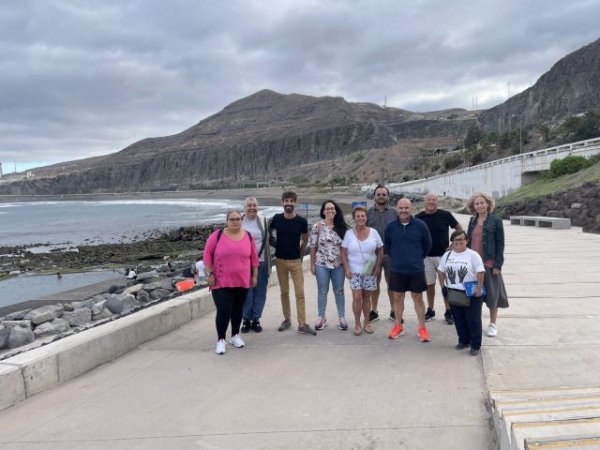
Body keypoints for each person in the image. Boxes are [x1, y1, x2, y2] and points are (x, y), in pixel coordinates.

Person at [203, 210, 259, 355]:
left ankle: (235, 336)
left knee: (238, 309)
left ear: (241, 220)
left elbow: (254, 258)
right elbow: (207, 255)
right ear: (227, 221)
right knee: (223, 310)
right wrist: (209, 274)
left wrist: (254, 276)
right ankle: (221, 340)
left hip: (242, 280)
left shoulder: (247, 236)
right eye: (232, 219)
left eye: (238, 219)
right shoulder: (217, 235)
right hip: (221, 280)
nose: (235, 222)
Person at [268, 191, 316, 336]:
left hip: (295, 261)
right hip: (280, 261)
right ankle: (287, 319)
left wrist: (300, 253)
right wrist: (276, 244)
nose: (288, 203)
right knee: (284, 292)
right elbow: (269, 232)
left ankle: (302, 324)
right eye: (286, 201)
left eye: (291, 201)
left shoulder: (301, 221)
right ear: (282, 202)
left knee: (300, 293)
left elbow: (306, 239)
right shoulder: (276, 218)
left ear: (295, 203)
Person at [385, 198, 432, 342]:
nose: (403, 210)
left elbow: (427, 245)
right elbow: (388, 246)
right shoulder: (391, 227)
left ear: (411, 208)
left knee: (418, 298)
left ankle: (422, 328)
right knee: (397, 297)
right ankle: (398, 326)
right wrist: (399, 259)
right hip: (397, 269)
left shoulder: (421, 225)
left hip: (416, 269)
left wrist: (416, 258)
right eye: (401, 208)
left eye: (406, 208)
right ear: (396, 209)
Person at [466, 192, 509, 338]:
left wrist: (498, 264)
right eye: (476, 204)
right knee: (474, 296)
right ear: (473, 206)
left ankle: (492, 324)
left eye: (482, 203)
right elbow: (467, 240)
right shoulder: (472, 221)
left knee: (492, 296)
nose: (479, 206)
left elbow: (500, 242)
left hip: (489, 264)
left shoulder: (496, 221)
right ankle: (475, 323)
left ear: (488, 204)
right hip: (473, 266)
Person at [415, 193, 463, 324]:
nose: (431, 202)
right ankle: (430, 310)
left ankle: (449, 311)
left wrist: (453, 244)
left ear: (437, 202)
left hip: (444, 256)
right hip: (426, 257)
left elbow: (459, 229)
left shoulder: (446, 215)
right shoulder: (418, 218)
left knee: (446, 285)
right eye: (428, 200)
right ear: (424, 202)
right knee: (430, 285)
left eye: (434, 200)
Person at [437, 230, 485, 356]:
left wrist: (479, 289)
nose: (459, 241)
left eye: (461, 239)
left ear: (467, 240)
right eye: (456, 239)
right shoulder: (447, 255)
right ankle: (464, 340)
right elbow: (441, 271)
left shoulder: (473, 255)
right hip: (453, 291)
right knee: (459, 319)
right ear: (452, 242)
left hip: (471, 291)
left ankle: (475, 345)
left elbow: (480, 272)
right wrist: (443, 286)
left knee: (473, 319)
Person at [341, 206, 384, 336]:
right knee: (357, 297)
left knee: (367, 297)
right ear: (354, 218)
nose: (360, 218)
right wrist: (346, 269)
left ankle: (367, 323)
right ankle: (357, 324)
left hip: (369, 271)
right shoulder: (349, 234)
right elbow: (343, 252)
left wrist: (377, 267)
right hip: (354, 271)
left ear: (366, 217)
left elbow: (380, 250)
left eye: (363, 216)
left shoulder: (374, 232)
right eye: (358, 216)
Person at [309, 200, 349, 330]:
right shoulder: (317, 227)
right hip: (322, 264)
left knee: (339, 291)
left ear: (336, 211)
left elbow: (347, 247)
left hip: (339, 265)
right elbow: (313, 247)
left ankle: (342, 318)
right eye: (327, 209)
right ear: (323, 211)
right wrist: (312, 265)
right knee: (322, 292)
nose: (330, 211)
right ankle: (321, 318)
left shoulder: (343, 227)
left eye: (332, 208)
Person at [366, 184, 398, 323]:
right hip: (372, 256)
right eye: (378, 194)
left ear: (388, 196)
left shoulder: (394, 212)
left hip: (391, 254)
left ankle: (394, 311)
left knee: (392, 284)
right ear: (374, 196)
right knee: (374, 284)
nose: (381, 196)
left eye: (383, 194)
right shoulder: (368, 213)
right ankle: (373, 311)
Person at [241, 197, 272, 333]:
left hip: (262, 261)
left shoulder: (263, 220)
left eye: (254, 205)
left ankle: (256, 319)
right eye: (249, 205)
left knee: (260, 291)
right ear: (244, 207)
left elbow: (270, 238)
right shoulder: (239, 221)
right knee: (247, 292)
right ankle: (246, 319)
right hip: (244, 263)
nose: (252, 207)